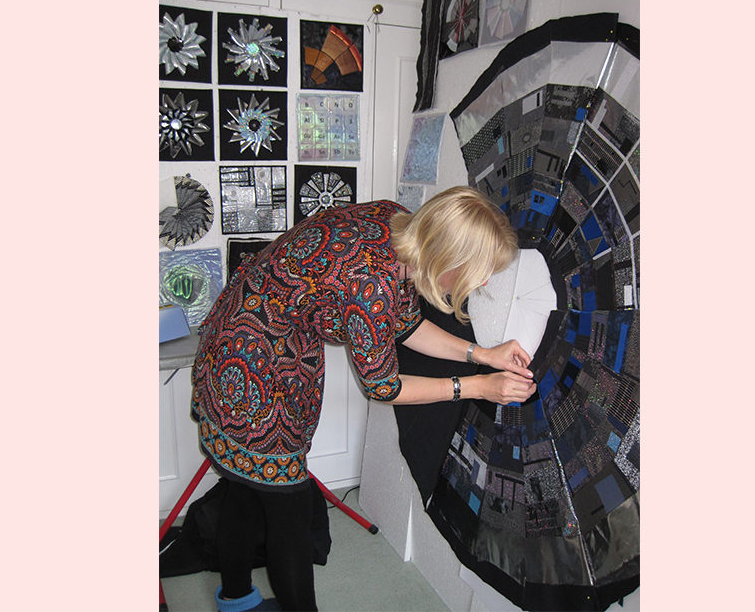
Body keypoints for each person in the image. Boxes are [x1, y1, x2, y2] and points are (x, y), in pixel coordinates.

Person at [190, 186, 537, 611]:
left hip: (262, 336)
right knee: (288, 508)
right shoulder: (370, 282)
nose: (483, 282)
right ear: (448, 256)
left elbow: (405, 325)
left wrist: (481, 355)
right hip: (251, 361)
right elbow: (384, 387)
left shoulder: (399, 225)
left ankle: (235, 599)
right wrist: (478, 385)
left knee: (245, 484)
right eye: (480, 270)